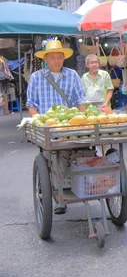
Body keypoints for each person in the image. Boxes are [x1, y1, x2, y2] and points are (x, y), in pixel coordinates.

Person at [26, 40, 86, 215]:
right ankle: (59, 194)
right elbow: (31, 104)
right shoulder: (37, 77)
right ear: (46, 58)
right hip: (49, 129)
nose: (57, 60)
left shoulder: (73, 75)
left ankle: (81, 185)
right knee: (53, 158)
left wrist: (85, 120)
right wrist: (38, 121)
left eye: (60, 57)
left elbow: (80, 100)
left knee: (79, 153)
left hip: (70, 126)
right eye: (53, 57)